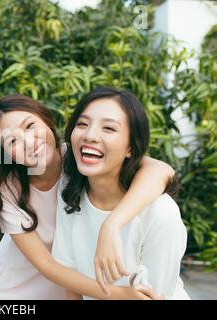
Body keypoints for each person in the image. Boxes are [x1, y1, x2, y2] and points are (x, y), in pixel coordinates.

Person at [0, 93, 175, 299]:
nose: (28, 142)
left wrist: (112, 224)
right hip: (18, 288)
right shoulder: (9, 190)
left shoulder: (81, 156)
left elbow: (161, 170)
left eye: (30, 126)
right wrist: (120, 295)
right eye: (12, 141)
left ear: (46, 120)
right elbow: (47, 265)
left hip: (72, 285)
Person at [52, 87, 190, 300]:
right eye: (82, 124)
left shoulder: (160, 212)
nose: (90, 135)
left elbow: (153, 297)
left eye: (108, 128)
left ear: (131, 149)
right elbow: (72, 286)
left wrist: (111, 225)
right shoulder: (69, 190)